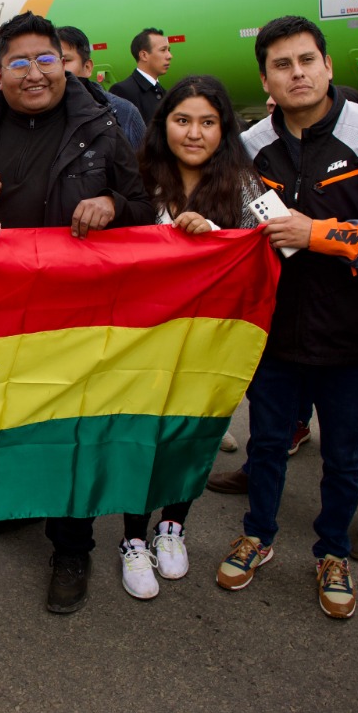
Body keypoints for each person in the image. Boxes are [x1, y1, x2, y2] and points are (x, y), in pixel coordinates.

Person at [0, 10, 155, 614]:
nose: (35, 74)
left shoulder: (103, 123)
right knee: (11, 414)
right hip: (1, 311)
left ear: (65, 64)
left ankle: (72, 546)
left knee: (71, 427)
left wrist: (111, 202)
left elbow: (143, 203)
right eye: (19, 63)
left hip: (80, 310)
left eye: (46, 59)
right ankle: (20, 508)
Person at [214, 15, 358, 621]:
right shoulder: (251, 147)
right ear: (266, 79)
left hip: (350, 332)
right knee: (269, 444)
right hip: (275, 330)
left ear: (328, 66)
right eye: (282, 65)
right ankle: (257, 536)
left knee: (345, 455)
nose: (297, 73)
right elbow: (241, 229)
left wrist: (320, 235)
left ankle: (332, 553)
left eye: (307, 60)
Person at [116, 76, 263, 600]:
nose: (194, 133)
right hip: (144, 338)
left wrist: (217, 240)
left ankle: (173, 526)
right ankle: (133, 538)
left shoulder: (246, 185)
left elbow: (274, 246)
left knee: (190, 432)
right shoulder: (137, 177)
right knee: (142, 436)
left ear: (224, 129)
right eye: (182, 120)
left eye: (207, 122)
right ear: (164, 125)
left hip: (210, 341)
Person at [55, 25, 147, 151]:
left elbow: (143, 167)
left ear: (88, 67)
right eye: (49, 61)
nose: (58, 69)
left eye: (66, 60)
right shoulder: (32, 117)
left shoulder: (123, 113)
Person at [108, 27, 173, 124]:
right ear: (144, 55)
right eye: (163, 50)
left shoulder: (163, 92)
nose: (169, 56)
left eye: (169, 50)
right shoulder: (122, 91)